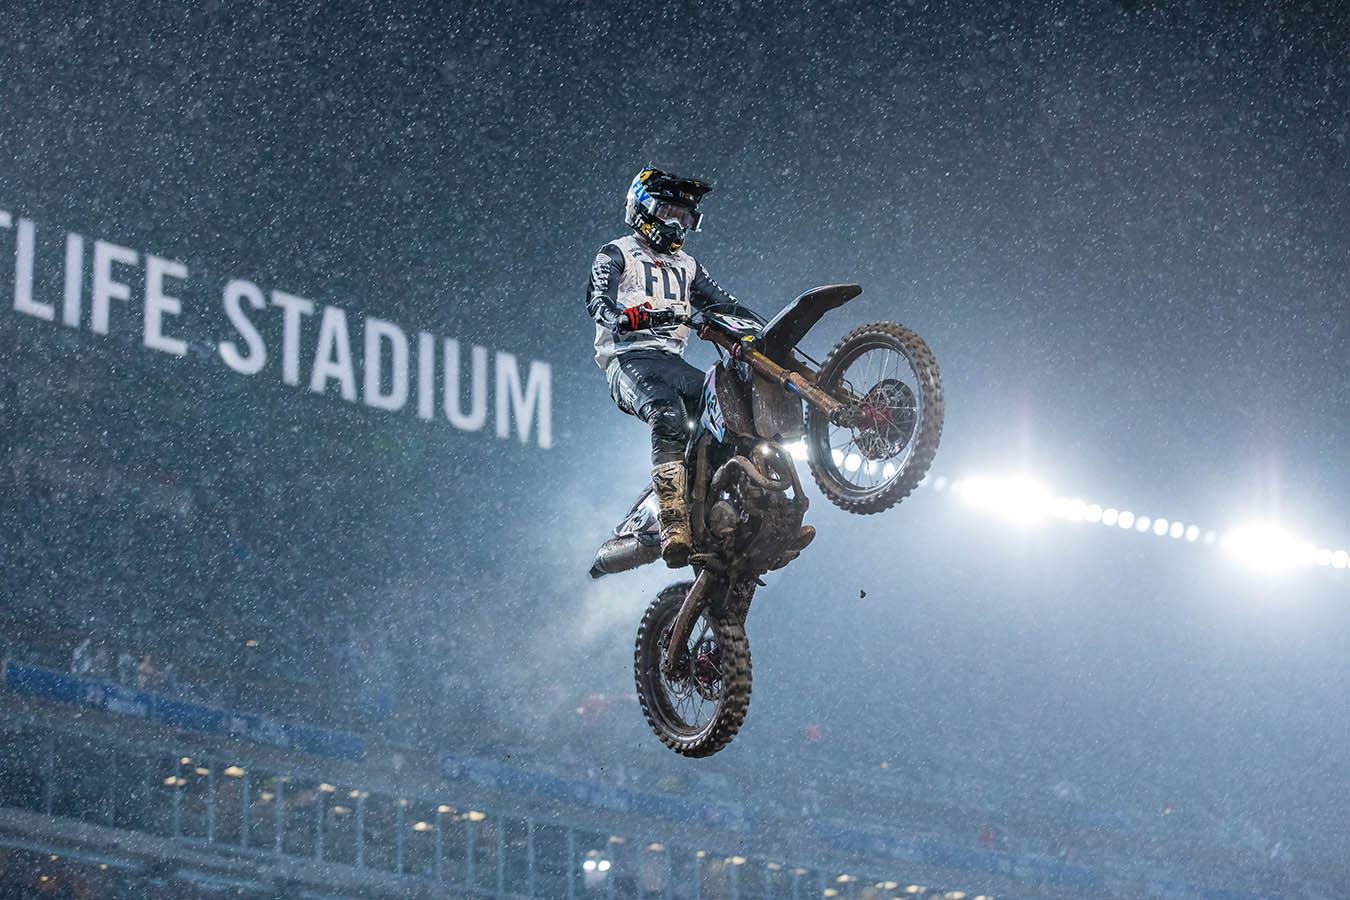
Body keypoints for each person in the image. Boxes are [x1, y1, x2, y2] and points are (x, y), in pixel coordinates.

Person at [586, 167, 763, 566]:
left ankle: (742, 509)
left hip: (672, 361)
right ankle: (671, 522)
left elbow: (724, 305)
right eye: (667, 211)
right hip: (628, 360)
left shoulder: (687, 265)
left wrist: (764, 332)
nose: (675, 223)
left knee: (732, 412)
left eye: (684, 216)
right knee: (666, 414)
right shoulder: (617, 252)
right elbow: (598, 298)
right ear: (643, 210)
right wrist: (619, 316)